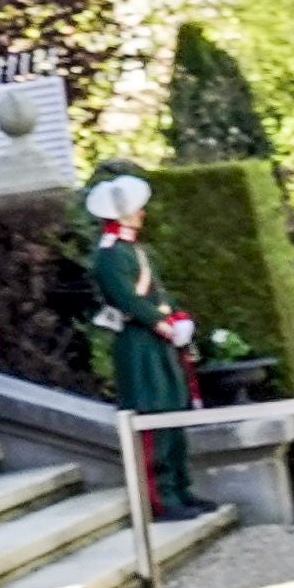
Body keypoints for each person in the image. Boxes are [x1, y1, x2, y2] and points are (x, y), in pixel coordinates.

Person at [83, 175, 201, 521]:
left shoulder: (135, 249)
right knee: (152, 418)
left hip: (158, 340)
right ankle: (161, 499)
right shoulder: (109, 255)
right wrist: (163, 324)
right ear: (122, 214)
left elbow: (157, 294)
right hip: (139, 343)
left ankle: (181, 489)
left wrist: (178, 318)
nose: (142, 213)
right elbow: (126, 299)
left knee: (172, 413)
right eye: (136, 208)